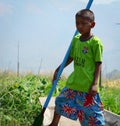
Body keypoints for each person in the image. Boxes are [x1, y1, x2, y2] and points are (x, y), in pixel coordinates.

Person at [49, 9, 105, 126]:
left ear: (92, 25)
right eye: (77, 23)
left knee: (93, 115)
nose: (80, 26)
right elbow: (71, 57)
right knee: (60, 101)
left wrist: (95, 84)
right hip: (74, 83)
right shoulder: (76, 39)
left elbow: (98, 63)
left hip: (88, 86)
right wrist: (59, 69)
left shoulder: (95, 43)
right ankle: (54, 124)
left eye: (83, 23)